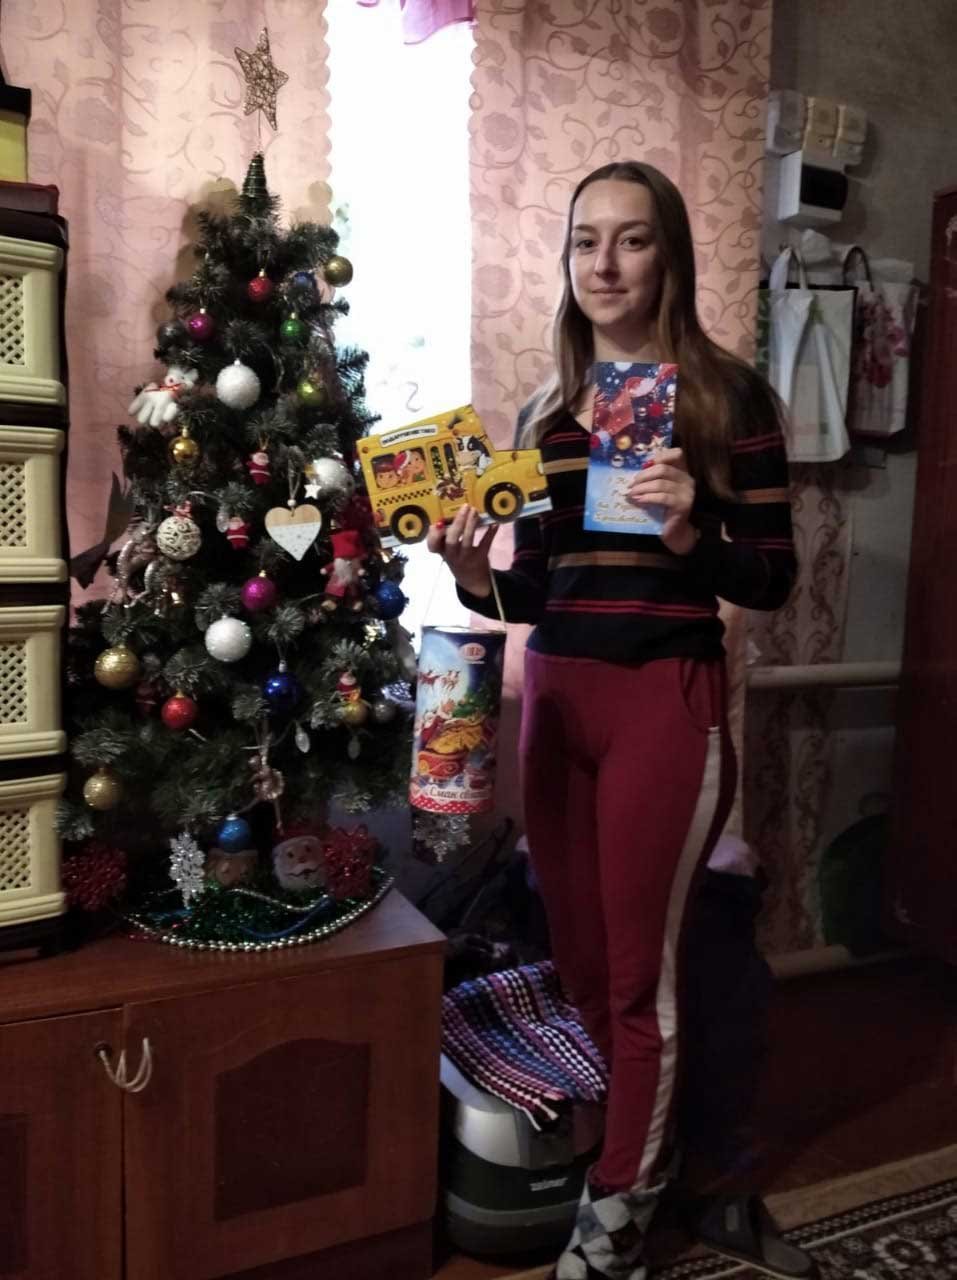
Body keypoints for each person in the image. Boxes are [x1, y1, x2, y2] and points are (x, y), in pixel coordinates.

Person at [428, 161, 798, 1280]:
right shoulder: (548, 412)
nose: (604, 263)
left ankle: (618, 1214)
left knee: (641, 981)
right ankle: (640, 1148)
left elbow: (773, 577)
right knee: (582, 967)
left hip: (661, 701)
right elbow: (535, 591)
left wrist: (692, 535)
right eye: (585, 240)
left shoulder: (729, 400)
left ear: (668, 255)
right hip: (558, 695)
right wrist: (467, 574)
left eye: (631, 240)